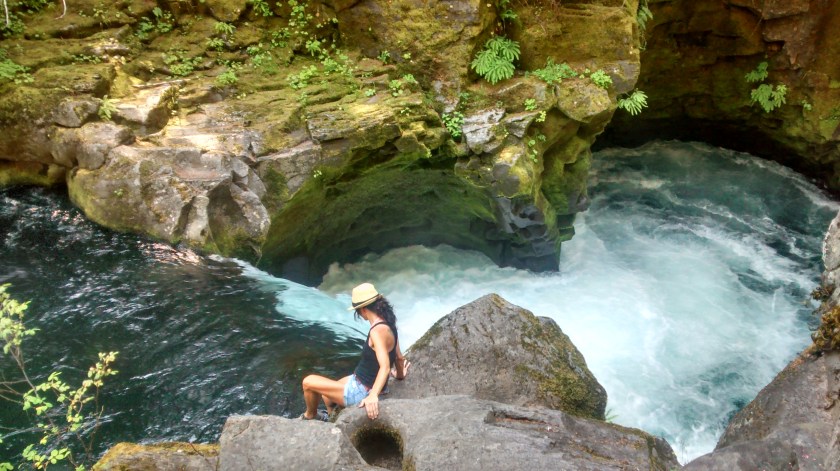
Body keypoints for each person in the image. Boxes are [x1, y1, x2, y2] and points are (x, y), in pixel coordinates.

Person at [300, 282, 410, 421]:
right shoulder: (389, 322)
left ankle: (310, 416)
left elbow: (385, 367)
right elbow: (399, 357)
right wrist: (400, 375)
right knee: (326, 396)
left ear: (363, 309)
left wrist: (373, 395)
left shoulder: (376, 331)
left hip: (361, 390)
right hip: (360, 380)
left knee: (308, 382)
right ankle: (332, 419)